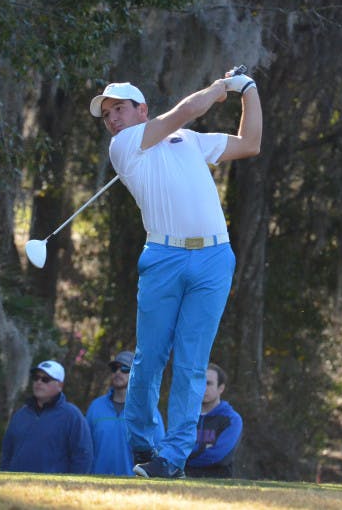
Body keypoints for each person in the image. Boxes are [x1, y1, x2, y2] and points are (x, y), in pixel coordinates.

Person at [88, 67, 262, 479]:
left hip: (214, 258)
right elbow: (185, 110)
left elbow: (250, 144)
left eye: (119, 109)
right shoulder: (124, 146)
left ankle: (171, 456)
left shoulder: (188, 142)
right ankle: (146, 444)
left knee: (191, 363)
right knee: (149, 361)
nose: (111, 118)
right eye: (106, 114)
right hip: (163, 257)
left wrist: (248, 91)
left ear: (141, 109)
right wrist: (221, 88)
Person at [0, 359, 93, 473]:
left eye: (45, 379)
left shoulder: (72, 416)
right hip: (15, 487)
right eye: (36, 378)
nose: (39, 382)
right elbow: (7, 453)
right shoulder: (20, 415)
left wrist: (71, 487)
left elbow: (83, 456)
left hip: (53, 489)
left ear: (60, 385)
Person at [86, 350, 165, 475]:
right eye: (114, 368)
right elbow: (85, 449)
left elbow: (160, 449)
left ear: (136, 374)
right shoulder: (95, 407)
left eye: (125, 369)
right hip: (97, 484)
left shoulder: (147, 410)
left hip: (134, 487)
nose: (118, 372)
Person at [185, 363, 243, 478]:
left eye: (208, 383)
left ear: (221, 388)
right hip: (182, 479)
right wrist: (203, 449)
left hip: (218, 482)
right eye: (200, 382)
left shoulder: (232, 419)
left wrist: (184, 457)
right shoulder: (185, 417)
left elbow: (220, 456)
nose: (203, 388)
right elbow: (171, 448)